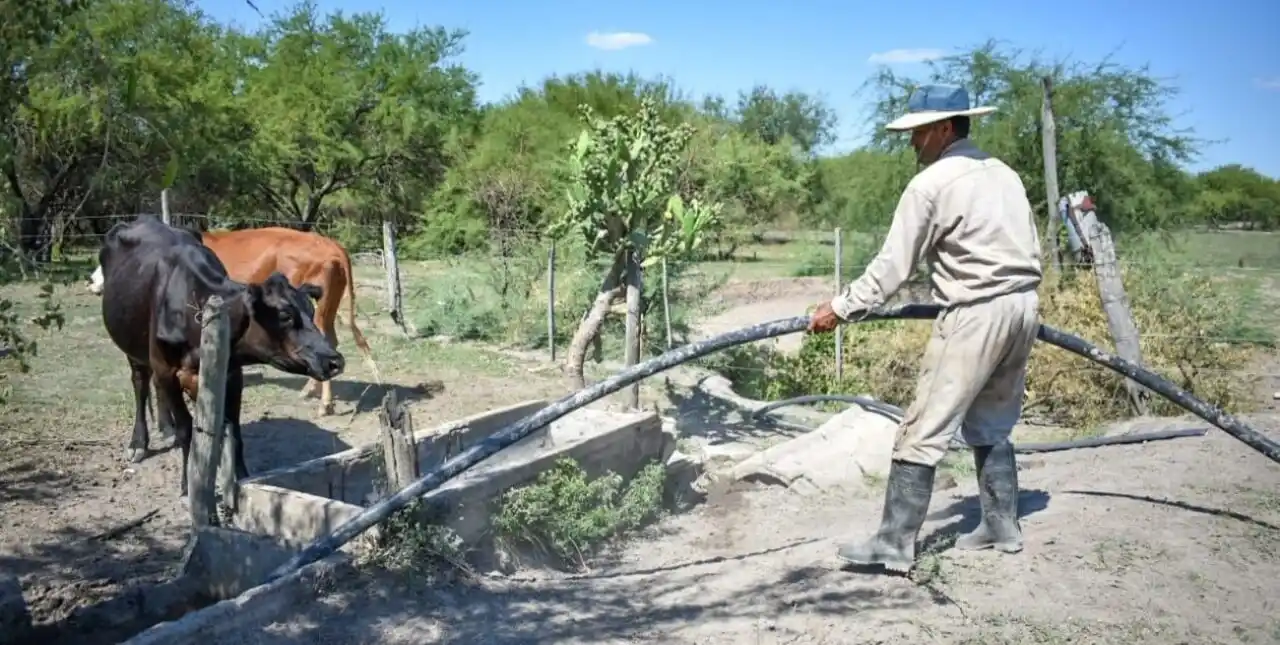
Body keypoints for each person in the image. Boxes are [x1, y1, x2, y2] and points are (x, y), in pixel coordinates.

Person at [807, 84, 1043, 574]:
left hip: (975, 312)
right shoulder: (1004, 174)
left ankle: (893, 543)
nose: (912, 143)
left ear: (942, 129)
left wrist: (840, 308)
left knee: (922, 428)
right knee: (994, 419)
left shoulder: (932, 185)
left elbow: (892, 269)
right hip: (1022, 308)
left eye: (917, 133)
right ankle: (1002, 526)